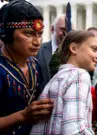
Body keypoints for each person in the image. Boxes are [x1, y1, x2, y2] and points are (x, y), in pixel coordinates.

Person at [30, 30, 97, 135]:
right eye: (94, 49)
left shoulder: (57, 78)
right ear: (73, 48)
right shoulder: (79, 75)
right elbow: (74, 130)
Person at [0, 1, 53, 134]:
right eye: (28, 34)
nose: (37, 42)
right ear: (6, 33)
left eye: (39, 34)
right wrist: (23, 116)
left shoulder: (35, 65)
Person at [36, 14, 67, 91]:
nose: (66, 34)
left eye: (69, 30)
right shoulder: (38, 50)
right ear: (52, 29)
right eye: (62, 29)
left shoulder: (76, 54)